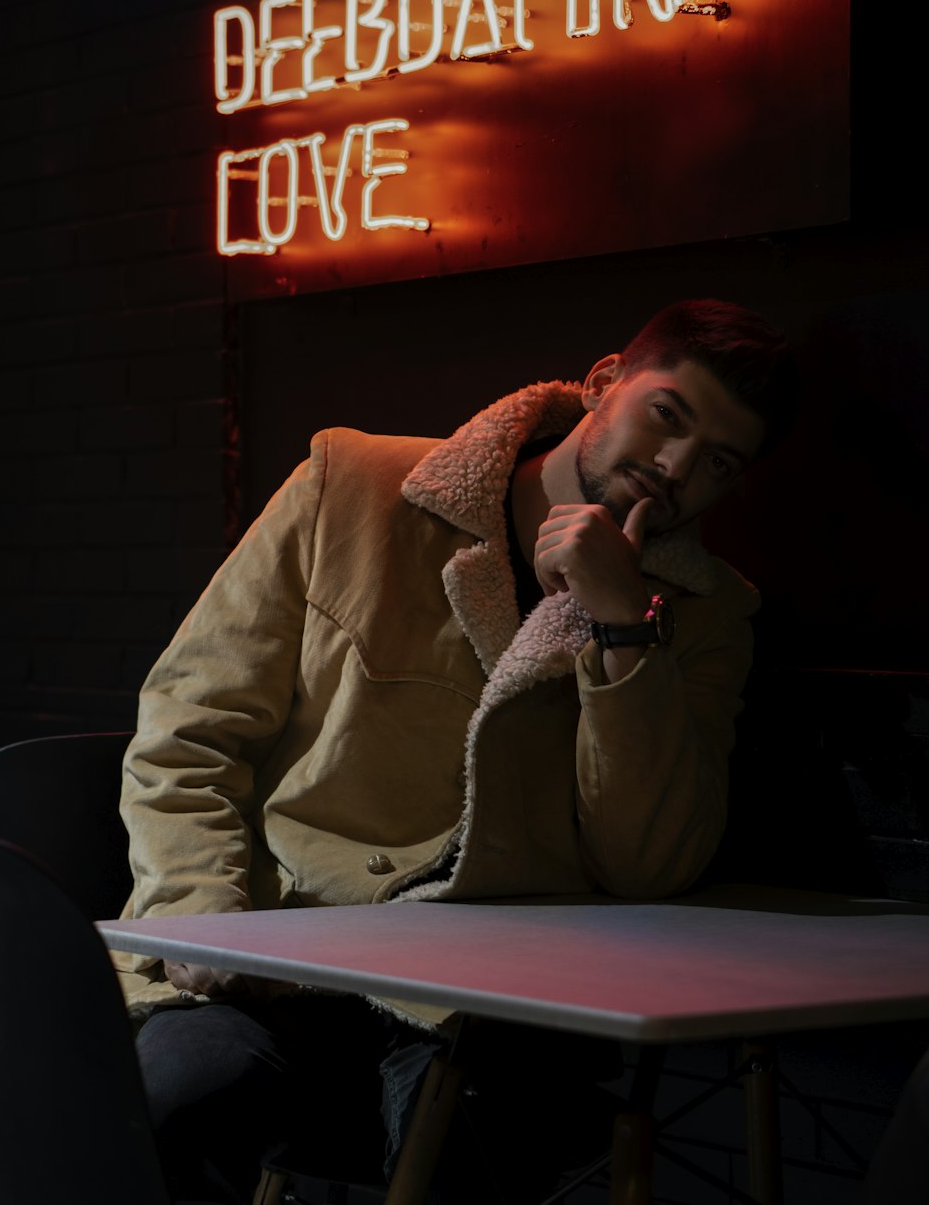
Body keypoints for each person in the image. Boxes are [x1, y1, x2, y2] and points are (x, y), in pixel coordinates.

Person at [114, 297, 797, 1204]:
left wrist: (622, 628)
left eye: (716, 462)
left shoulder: (707, 617)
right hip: (277, 952)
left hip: (488, 1007)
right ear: (605, 382)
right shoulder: (349, 486)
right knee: (173, 1100)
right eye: (666, 416)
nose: (673, 468)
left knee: (475, 1137)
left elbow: (648, 862)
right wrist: (201, 912)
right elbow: (188, 728)